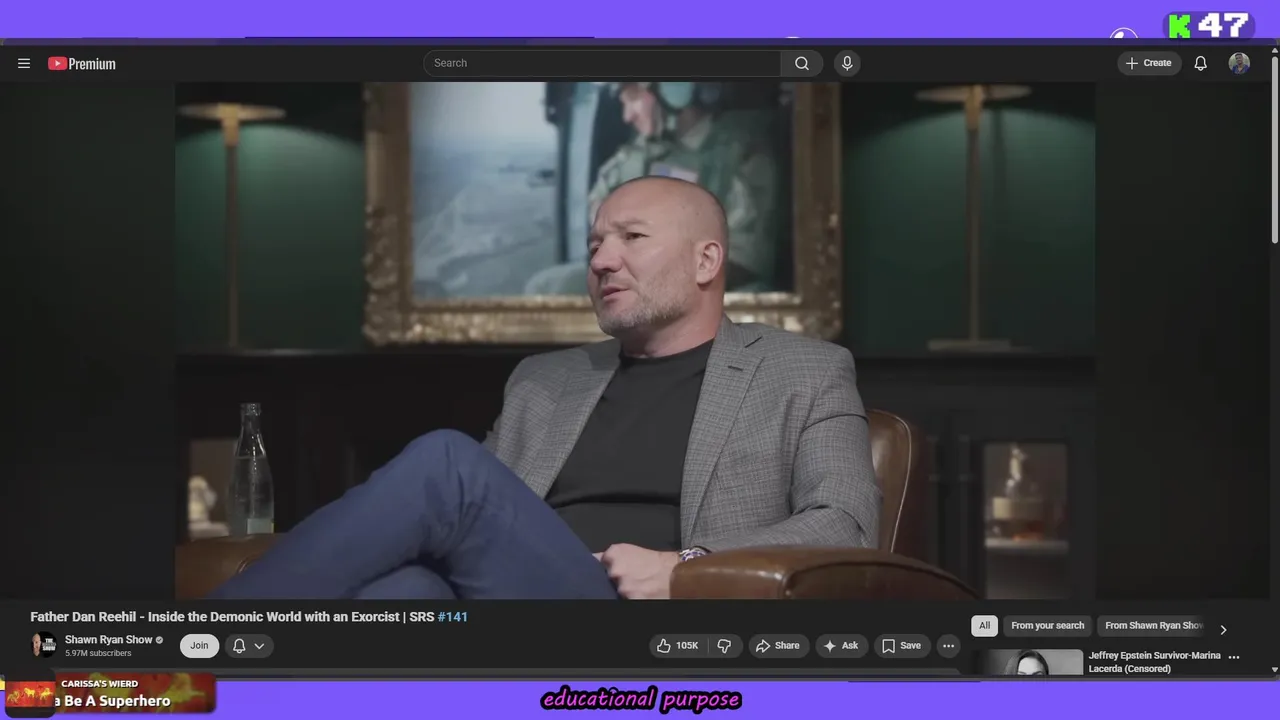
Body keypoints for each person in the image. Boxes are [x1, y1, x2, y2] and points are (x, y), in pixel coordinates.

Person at [209, 176, 878, 601]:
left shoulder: (803, 371)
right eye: (595, 244)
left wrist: (683, 565)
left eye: (631, 237)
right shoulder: (545, 380)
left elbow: (844, 524)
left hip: (647, 612)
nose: (601, 260)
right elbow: (464, 522)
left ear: (707, 260)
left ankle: (201, 648)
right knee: (406, 594)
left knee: (446, 462)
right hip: (520, 595)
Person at [525, 82, 781, 295]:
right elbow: (599, 207)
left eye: (633, 98)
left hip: (698, 291)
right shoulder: (638, 152)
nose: (627, 116)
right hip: (630, 281)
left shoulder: (740, 155)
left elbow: (745, 258)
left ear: (674, 90)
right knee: (546, 288)